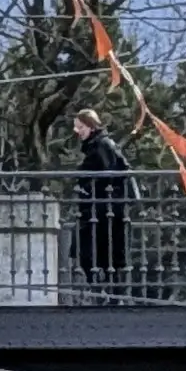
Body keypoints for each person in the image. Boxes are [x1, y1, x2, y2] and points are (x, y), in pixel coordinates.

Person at [69, 105, 134, 290]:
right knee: (89, 250)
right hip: (97, 208)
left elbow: (110, 174)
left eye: (80, 127)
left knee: (100, 251)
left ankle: (106, 289)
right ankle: (101, 286)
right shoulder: (95, 145)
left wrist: (89, 186)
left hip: (105, 209)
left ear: (91, 126)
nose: (77, 131)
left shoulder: (103, 145)